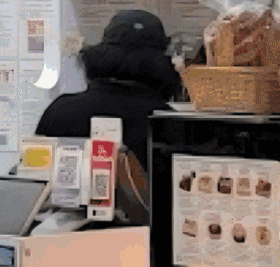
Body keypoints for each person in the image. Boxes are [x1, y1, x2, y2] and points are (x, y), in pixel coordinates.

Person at [36, 10, 184, 181]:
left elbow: (33, 180)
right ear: (161, 62)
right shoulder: (169, 123)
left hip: (62, 207)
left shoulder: (60, 110)